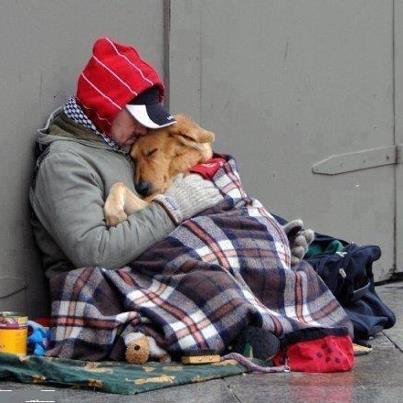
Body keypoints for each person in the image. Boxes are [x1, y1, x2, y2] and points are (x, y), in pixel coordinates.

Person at [30, 37, 223, 279]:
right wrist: (173, 208)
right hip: (104, 298)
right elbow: (96, 253)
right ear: (107, 108)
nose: (144, 129)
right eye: (136, 118)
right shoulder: (64, 164)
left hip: (156, 277)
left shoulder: (121, 145)